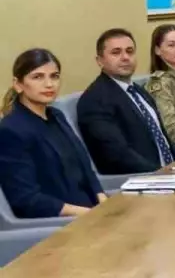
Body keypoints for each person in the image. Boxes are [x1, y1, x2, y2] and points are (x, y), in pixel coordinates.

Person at [0, 49, 105, 218]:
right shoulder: (10, 130)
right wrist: (89, 214)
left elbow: (86, 169)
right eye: (38, 77)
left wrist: (103, 202)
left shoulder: (57, 116)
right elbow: (26, 199)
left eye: (54, 76)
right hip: (60, 223)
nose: (49, 84)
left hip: (91, 212)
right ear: (18, 84)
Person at [77, 28, 175, 175]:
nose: (125, 57)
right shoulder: (95, 100)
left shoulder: (139, 91)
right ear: (100, 61)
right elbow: (117, 155)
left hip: (171, 173)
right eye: (116, 53)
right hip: (143, 179)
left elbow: (164, 139)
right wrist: (161, 174)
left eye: (130, 51)